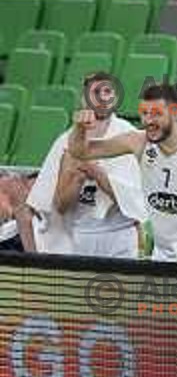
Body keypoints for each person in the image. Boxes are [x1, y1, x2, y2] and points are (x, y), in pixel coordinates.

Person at [69, 83, 177, 264]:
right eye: (144, 113)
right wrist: (79, 128)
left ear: (174, 112)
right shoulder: (138, 142)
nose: (148, 121)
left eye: (156, 114)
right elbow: (81, 151)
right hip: (161, 258)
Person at [27, 73, 146, 258]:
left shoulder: (130, 136)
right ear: (84, 98)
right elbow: (60, 206)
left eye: (107, 92)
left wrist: (97, 173)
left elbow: (133, 201)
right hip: (82, 235)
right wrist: (78, 178)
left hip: (120, 234)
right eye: (96, 92)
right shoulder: (66, 141)